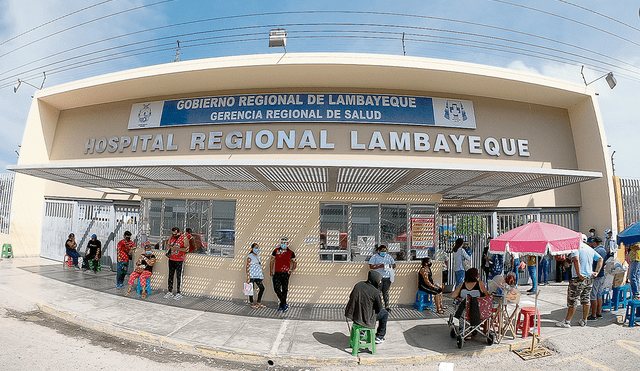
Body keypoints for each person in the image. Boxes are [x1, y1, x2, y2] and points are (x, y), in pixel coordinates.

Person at [556, 238, 603, 328]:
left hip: (578, 278)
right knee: (586, 299)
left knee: (573, 300)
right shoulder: (590, 249)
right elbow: (600, 259)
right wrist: (596, 272)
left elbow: (576, 259)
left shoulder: (576, 248)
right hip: (589, 278)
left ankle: (567, 321)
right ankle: (584, 321)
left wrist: (579, 273)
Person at [345, 270, 389, 345]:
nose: (380, 282)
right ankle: (379, 337)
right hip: (366, 318)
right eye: (380, 280)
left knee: (365, 311)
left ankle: (362, 331)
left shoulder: (358, 285)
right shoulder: (375, 292)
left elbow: (351, 296)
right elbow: (379, 309)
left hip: (355, 315)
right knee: (385, 313)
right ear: (376, 280)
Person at [270, 237, 297, 312]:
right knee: (276, 288)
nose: (283, 244)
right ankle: (284, 304)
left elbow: (295, 262)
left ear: (288, 244)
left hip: (285, 273)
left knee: (285, 289)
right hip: (277, 272)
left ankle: (282, 305)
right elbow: (272, 261)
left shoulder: (291, 252)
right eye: (282, 243)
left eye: (285, 243)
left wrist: (291, 269)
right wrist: (271, 270)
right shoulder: (276, 251)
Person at [164, 227, 189, 300]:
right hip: (172, 258)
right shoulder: (171, 237)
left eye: (175, 234)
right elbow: (167, 245)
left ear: (179, 232)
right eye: (173, 234)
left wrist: (177, 249)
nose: (174, 235)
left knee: (179, 276)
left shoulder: (184, 238)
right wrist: (169, 246)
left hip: (180, 259)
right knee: (170, 275)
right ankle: (170, 291)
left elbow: (187, 249)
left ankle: (178, 292)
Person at [368, 245, 396, 310]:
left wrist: (390, 266)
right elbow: (371, 266)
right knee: (378, 292)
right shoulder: (375, 257)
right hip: (378, 278)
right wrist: (380, 266)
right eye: (382, 251)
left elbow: (394, 265)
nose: (384, 252)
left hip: (387, 278)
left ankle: (387, 306)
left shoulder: (388, 257)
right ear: (379, 251)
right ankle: (378, 306)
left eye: (385, 251)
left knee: (386, 292)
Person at [588, 237, 607, 320]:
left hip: (596, 275)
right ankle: (599, 313)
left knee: (593, 295)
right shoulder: (604, 250)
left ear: (595, 243)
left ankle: (594, 315)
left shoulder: (595, 251)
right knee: (599, 294)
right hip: (602, 274)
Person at [246, 243, 266, 309]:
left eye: (257, 248)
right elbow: (247, 266)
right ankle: (252, 303)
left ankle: (258, 302)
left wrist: (261, 276)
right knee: (251, 289)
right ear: (252, 249)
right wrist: (248, 276)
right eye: (255, 248)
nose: (256, 249)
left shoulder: (258, 256)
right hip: (251, 275)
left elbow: (259, 266)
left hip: (257, 275)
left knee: (262, 288)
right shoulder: (250, 256)